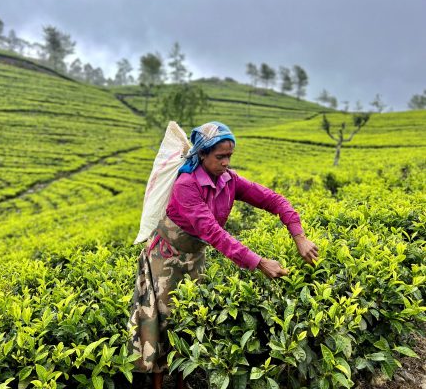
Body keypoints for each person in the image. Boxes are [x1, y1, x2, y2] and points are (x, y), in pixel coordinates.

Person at [129, 121, 319, 389]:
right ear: (202, 154)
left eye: (229, 156)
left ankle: (182, 382)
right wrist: (259, 262)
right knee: (162, 320)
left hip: (194, 257)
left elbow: (273, 199)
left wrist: (298, 235)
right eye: (220, 157)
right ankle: (159, 384)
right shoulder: (186, 184)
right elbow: (213, 233)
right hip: (167, 256)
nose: (226, 162)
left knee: (190, 317)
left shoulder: (230, 180)